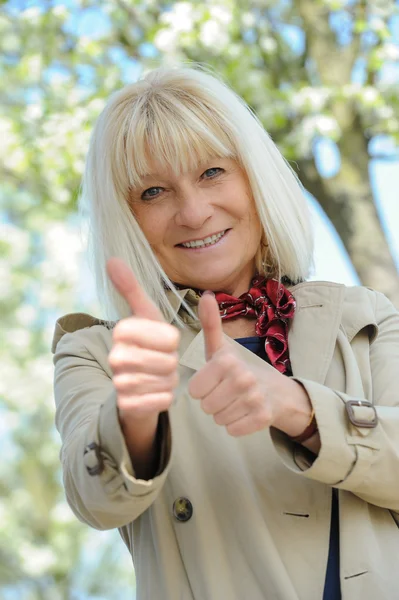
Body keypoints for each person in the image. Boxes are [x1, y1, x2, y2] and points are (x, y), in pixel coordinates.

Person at [52, 66, 399, 600]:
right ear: (125, 216)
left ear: (256, 178)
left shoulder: (365, 318)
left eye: (212, 172)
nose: (193, 212)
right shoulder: (97, 351)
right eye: (153, 192)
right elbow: (93, 499)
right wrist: (134, 416)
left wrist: (300, 411)